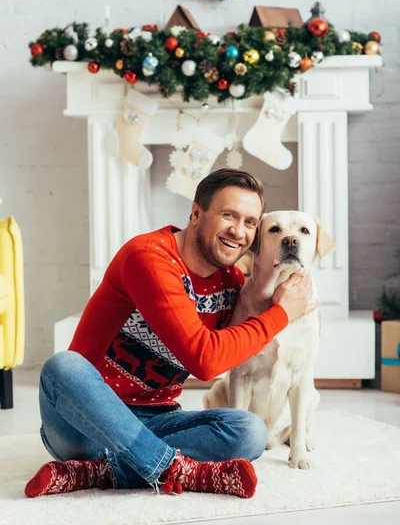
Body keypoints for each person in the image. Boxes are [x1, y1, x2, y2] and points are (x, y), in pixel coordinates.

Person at [25, 168, 317, 500]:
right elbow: (206, 361)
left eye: (250, 222)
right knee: (63, 367)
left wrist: (284, 296)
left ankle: (99, 471)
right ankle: (174, 470)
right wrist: (282, 314)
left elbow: (236, 352)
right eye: (228, 216)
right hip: (85, 425)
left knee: (249, 431)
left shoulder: (232, 282)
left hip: (159, 420)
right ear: (196, 214)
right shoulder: (149, 258)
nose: (238, 231)